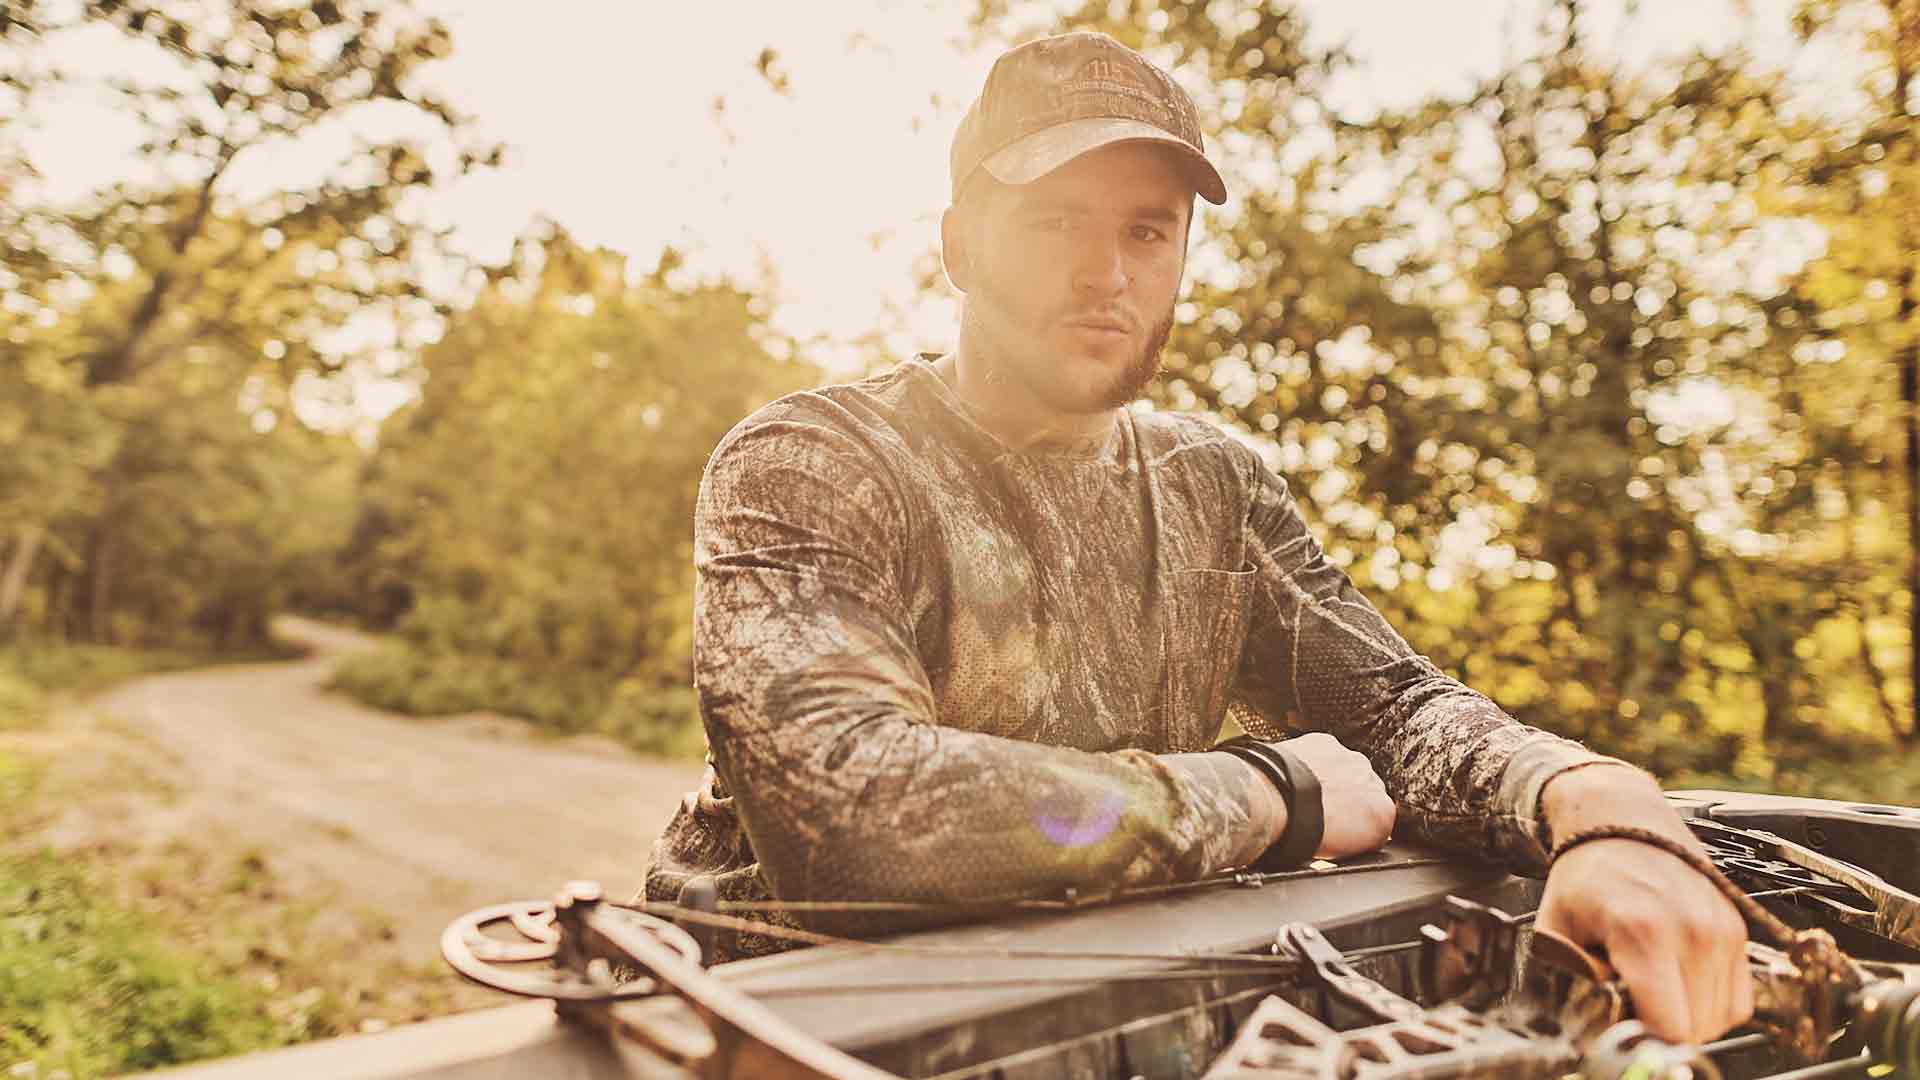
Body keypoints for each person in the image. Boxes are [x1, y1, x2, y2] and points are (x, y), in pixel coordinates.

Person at [644, 30, 1752, 1043]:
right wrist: (1272, 793)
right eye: (1055, 221)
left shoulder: (1215, 487)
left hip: (1084, 1033)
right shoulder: (813, 463)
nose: (1106, 274)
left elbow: (1396, 712)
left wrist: (1592, 801)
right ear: (958, 247)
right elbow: (852, 811)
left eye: (1146, 230)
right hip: (784, 1034)